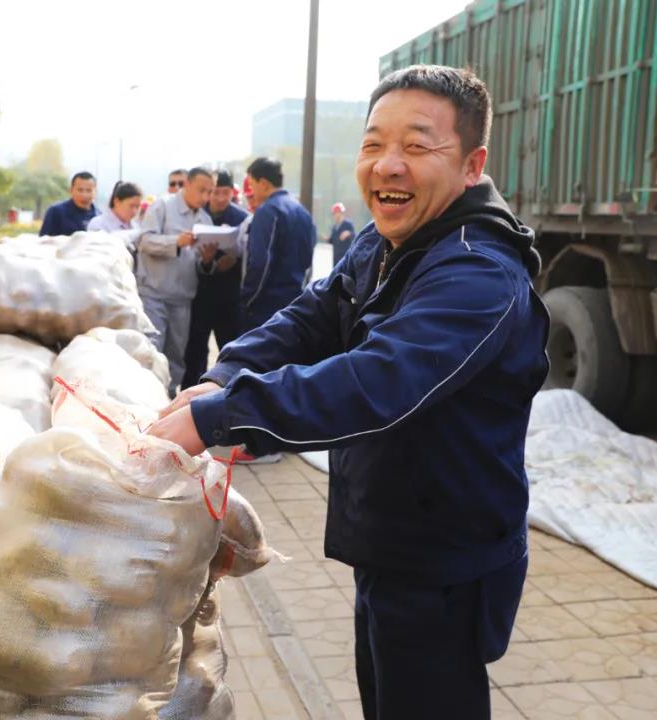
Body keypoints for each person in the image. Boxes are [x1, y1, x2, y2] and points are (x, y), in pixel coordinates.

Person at [147, 65, 550, 719]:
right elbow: (311, 318)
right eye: (374, 144)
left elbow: (378, 381)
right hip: (391, 535)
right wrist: (222, 374)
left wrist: (226, 415)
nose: (388, 165)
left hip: (445, 555)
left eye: (417, 147)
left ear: (472, 163)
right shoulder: (388, 239)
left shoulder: (478, 272)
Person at [136, 167, 215, 393]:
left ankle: (167, 397)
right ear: (187, 185)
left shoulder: (204, 219)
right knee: (151, 350)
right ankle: (145, 397)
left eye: (209, 192)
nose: (206, 197)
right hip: (154, 294)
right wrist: (176, 242)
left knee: (175, 356)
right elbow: (144, 241)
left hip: (183, 299)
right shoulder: (161, 207)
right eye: (202, 190)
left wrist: (207, 260)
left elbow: (199, 263)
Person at [181, 170, 248, 389]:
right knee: (195, 355)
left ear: (232, 192)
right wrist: (209, 263)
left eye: (225, 193)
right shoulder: (199, 216)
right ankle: (190, 398)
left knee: (231, 354)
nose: (220, 198)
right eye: (215, 193)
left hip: (230, 298)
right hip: (200, 296)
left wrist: (234, 262)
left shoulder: (242, 219)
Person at [238, 157, 316, 334]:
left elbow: (260, 264)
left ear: (264, 183)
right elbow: (308, 263)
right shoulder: (302, 212)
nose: (252, 191)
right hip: (294, 305)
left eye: (252, 185)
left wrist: (246, 301)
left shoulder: (268, 211)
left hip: (265, 309)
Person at [39, 171, 100, 236]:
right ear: (71, 190)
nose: (84, 195)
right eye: (80, 190)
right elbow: (44, 241)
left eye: (89, 190)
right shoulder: (56, 212)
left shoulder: (99, 217)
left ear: (95, 191)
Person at [328, 201, 356, 266]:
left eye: (336, 213)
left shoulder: (348, 224)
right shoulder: (334, 227)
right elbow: (333, 241)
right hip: (336, 259)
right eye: (334, 214)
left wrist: (349, 233)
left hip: (345, 259)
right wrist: (328, 239)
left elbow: (355, 237)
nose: (335, 215)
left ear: (341, 213)